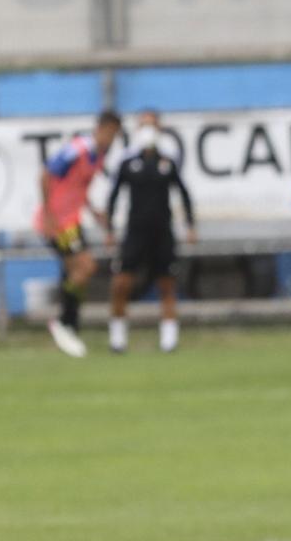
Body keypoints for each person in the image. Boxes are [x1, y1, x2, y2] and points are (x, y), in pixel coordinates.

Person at [106, 113, 196, 353]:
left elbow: (184, 194)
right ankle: (117, 338)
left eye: (151, 125)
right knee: (122, 283)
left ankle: (169, 339)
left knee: (166, 284)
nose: (148, 130)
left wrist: (190, 225)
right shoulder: (127, 163)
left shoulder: (167, 163)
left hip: (162, 233)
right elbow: (113, 197)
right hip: (135, 232)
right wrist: (109, 229)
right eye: (143, 125)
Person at [35, 110, 122, 357]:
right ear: (102, 128)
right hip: (58, 222)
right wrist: (49, 213)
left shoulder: (99, 156)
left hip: (72, 221)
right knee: (86, 267)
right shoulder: (78, 149)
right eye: (111, 133)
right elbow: (45, 174)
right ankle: (63, 322)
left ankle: (69, 325)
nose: (112, 139)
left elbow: (79, 187)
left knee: (75, 271)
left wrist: (93, 211)